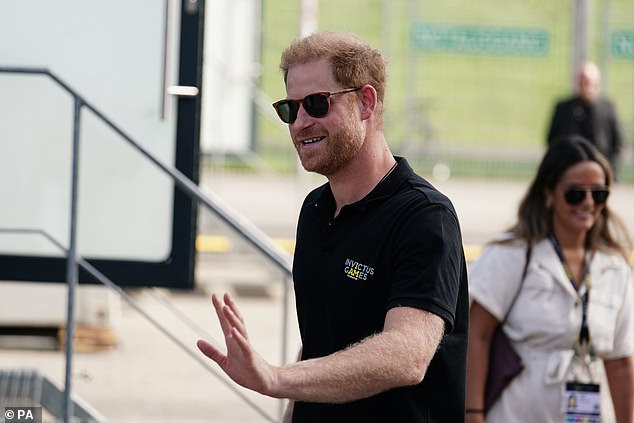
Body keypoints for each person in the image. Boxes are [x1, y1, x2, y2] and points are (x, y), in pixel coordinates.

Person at [196, 31, 469, 422]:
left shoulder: (424, 217)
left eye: (317, 104)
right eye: (290, 109)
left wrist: (276, 378)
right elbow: (319, 344)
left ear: (366, 103)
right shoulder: (316, 209)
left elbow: (407, 355)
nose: (301, 123)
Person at [466, 136, 634, 422]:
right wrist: (473, 413)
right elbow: (477, 335)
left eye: (599, 193)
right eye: (575, 194)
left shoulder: (615, 268)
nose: (589, 203)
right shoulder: (513, 254)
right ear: (549, 192)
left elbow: (620, 363)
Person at [546, 61, 623, 178]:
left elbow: (617, 142)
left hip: (600, 172)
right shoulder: (564, 108)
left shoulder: (607, 108)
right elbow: (552, 140)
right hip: (569, 172)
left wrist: (610, 170)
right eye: (583, 82)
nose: (587, 87)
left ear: (598, 84)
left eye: (590, 82)